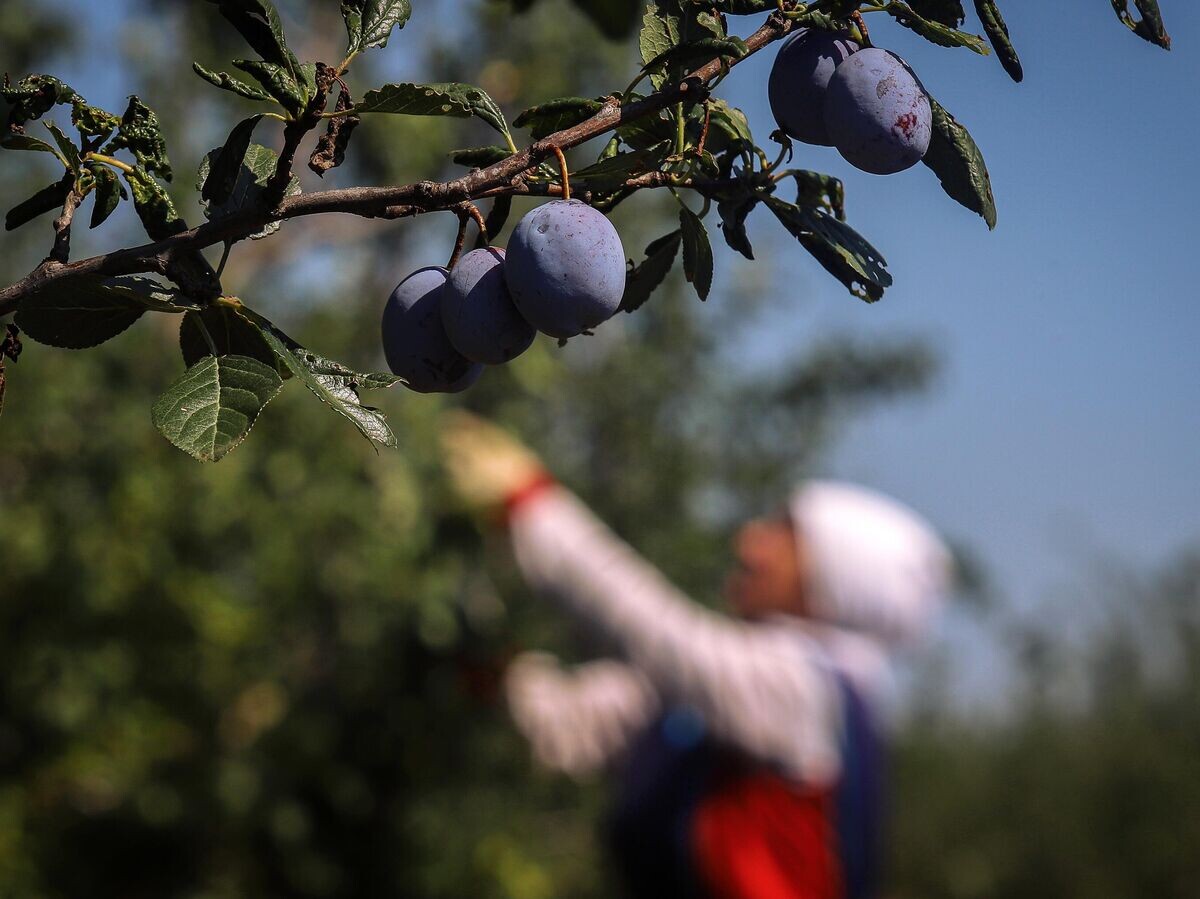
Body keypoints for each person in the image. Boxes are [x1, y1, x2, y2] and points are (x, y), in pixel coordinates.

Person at [440, 411, 952, 899]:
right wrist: (490, 671)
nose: (750, 543)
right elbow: (575, 724)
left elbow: (664, 636)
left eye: (784, 534)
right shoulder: (715, 708)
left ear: (831, 583)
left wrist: (533, 506)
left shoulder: (804, 690)